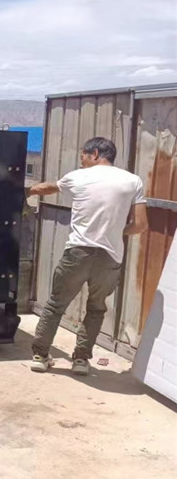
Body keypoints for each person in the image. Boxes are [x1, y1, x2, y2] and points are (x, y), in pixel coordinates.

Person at [27, 136, 148, 375]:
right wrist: (116, 232)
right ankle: (81, 360)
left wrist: (26, 190)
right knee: (96, 308)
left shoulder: (78, 177)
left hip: (78, 253)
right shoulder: (133, 181)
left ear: (95, 154)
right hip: (110, 257)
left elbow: (47, 188)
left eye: (83, 155)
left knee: (55, 305)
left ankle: (40, 356)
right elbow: (140, 225)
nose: (81, 160)